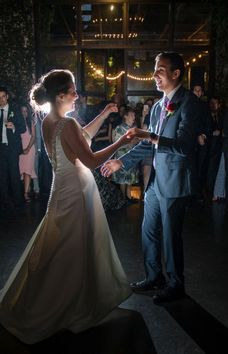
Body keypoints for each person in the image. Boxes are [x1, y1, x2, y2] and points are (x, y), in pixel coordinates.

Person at [0, 69, 132, 344]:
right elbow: (92, 160)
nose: (76, 94)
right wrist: (123, 141)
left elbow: (82, 136)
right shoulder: (66, 124)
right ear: (60, 95)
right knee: (72, 250)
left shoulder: (51, 121)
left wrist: (105, 113)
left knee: (60, 248)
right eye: (72, 90)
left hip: (61, 189)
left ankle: (59, 301)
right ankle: (69, 306)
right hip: (75, 192)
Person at [101, 52, 202, 303]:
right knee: (149, 231)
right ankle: (154, 276)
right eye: (155, 69)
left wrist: (150, 136)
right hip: (155, 181)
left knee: (170, 236)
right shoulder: (158, 106)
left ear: (176, 74)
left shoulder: (190, 103)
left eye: (160, 69)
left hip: (175, 181)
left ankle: (175, 285)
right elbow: (149, 146)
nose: (155, 74)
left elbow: (184, 146)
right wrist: (120, 162)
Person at [0, 87, 26, 209]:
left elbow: (23, 128)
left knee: (14, 174)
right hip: (1, 148)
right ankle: (5, 200)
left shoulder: (14, 110)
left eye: (3, 96)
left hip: (12, 148)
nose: (1, 100)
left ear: (7, 97)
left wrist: (14, 126)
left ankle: (18, 200)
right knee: (2, 175)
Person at [19, 103, 37, 202]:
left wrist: (27, 148)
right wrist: (21, 149)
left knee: (27, 171)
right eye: (22, 111)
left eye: (26, 111)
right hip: (20, 149)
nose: (24, 113)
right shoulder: (18, 122)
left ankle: (26, 194)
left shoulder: (31, 121)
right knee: (21, 170)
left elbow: (33, 136)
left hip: (29, 149)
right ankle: (26, 190)